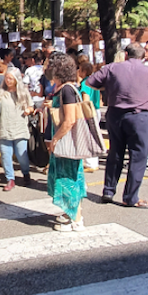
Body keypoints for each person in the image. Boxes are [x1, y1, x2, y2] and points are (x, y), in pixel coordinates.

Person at [86, 43, 148, 209]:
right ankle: (130, 197)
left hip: (115, 114)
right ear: (143, 56)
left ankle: (108, 190)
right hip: (140, 116)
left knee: (115, 153)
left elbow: (90, 82)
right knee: (138, 156)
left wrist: (109, 87)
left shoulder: (111, 68)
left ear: (126, 54)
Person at [44, 53, 88, 231]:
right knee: (68, 177)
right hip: (65, 141)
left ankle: (75, 220)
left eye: (49, 65)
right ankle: (72, 214)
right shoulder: (64, 89)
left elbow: (69, 120)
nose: (46, 68)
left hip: (66, 142)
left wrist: (55, 138)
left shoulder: (67, 90)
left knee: (68, 179)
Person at [0, 69, 34, 191]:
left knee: (21, 155)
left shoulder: (23, 92)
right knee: (5, 155)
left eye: (11, 78)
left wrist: (29, 110)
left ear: (16, 79)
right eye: (6, 78)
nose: (8, 81)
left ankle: (26, 173)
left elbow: (31, 106)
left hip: (20, 128)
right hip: (4, 128)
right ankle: (10, 179)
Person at [77, 62, 101, 172]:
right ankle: (93, 162)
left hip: (88, 111)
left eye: (80, 69)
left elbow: (85, 98)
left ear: (84, 71)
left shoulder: (85, 83)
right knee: (94, 135)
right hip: (96, 109)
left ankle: (90, 163)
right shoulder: (94, 80)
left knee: (88, 137)